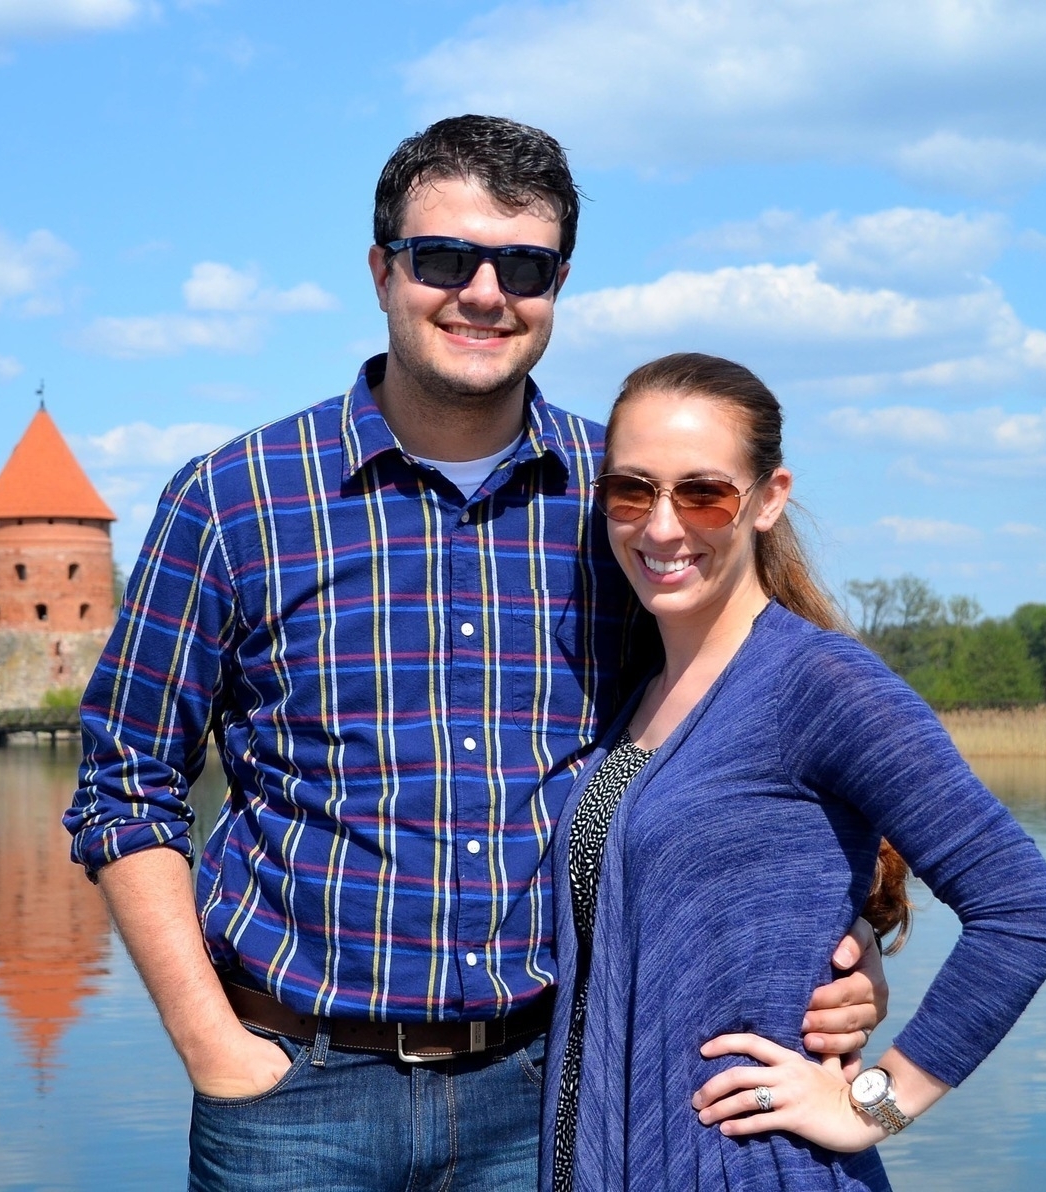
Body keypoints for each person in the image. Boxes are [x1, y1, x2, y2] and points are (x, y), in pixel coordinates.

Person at [66, 116, 886, 1190]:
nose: (484, 292)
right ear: (382, 271)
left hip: (549, 1083)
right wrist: (210, 1043)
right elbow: (125, 781)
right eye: (444, 257)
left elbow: (772, 737)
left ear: (558, 285)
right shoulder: (236, 501)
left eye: (525, 265)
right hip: (292, 1091)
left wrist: (845, 944)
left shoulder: (630, 500)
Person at [541, 352, 1046, 1190]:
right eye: (632, 490)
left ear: (769, 499)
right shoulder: (642, 691)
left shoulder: (819, 681)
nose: (661, 526)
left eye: (703, 492)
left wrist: (871, 1105)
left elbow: (1026, 914)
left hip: (755, 1168)